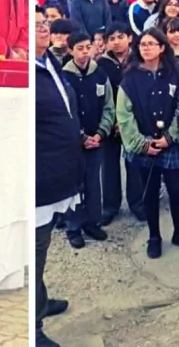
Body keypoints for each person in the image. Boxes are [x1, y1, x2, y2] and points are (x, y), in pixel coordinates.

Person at [35, 6, 81, 347]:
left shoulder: (50, 62)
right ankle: (33, 328)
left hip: (59, 173)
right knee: (35, 251)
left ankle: (43, 299)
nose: (40, 30)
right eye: (33, 26)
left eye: (43, 25)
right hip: (40, 178)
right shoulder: (28, 71)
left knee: (45, 246)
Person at [117, 28, 179, 258]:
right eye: (143, 44)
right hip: (145, 146)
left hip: (172, 144)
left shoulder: (175, 72)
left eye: (152, 43)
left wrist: (170, 137)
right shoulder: (130, 78)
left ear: (162, 47)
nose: (146, 48)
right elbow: (124, 115)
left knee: (176, 190)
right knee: (150, 193)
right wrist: (143, 144)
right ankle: (154, 236)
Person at [62, 32, 115, 248]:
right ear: (70, 50)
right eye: (79, 48)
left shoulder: (100, 74)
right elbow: (64, 111)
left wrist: (100, 133)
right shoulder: (64, 77)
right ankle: (73, 227)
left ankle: (92, 222)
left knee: (94, 183)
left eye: (87, 47)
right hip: (74, 142)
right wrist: (81, 136)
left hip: (96, 139)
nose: (84, 52)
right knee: (75, 184)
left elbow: (109, 106)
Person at [97, 24, 145, 224]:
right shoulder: (102, 64)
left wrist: (127, 121)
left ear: (130, 38)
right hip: (110, 123)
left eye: (120, 37)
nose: (116, 42)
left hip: (133, 121)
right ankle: (110, 206)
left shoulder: (139, 60)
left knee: (134, 163)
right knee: (109, 166)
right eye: (112, 38)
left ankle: (137, 203)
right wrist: (112, 122)